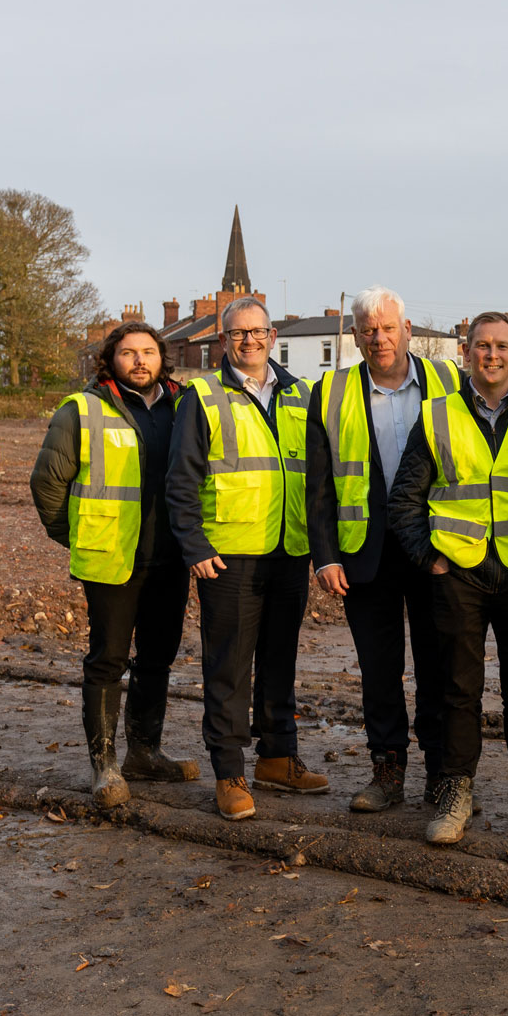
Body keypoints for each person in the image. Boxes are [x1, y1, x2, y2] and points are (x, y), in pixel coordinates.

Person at [390, 311, 508, 844]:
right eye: (481, 346)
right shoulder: (437, 416)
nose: (491, 355)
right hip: (459, 575)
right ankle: (456, 791)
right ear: (466, 352)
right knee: (458, 689)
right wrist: (431, 560)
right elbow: (404, 499)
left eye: (501, 346)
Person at [167, 296, 328, 820]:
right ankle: (229, 770)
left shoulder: (301, 395)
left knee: (281, 660)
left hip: (288, 550)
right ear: (224, 341)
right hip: (228, 555)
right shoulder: (203, 395)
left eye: (257, 332)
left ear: (273, 335)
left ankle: (278, 757)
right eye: (239, 334)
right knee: (229, 666)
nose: (249, 341)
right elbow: (181, 479)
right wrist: (194, 546)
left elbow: (317, 478)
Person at [304, 287, 461, 814]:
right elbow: (319, 485)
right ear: (355, 336)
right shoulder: (330, 390)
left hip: (434, 549)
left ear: (407, 330)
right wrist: (324, 555)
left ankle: (444, 777)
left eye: (388, 327)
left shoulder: (447, 380)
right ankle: (387, 770)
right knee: (379, 668)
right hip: (364, 554)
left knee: (438, 666)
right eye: (368, 329)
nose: (379, 338)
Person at [31, 321, 199, 807]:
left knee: (157, 660)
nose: (140, 361)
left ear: (161, 358)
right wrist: (81, 537)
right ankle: (104, 766)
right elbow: (46, 485)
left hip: (170, 560)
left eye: (149, 352)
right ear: (112, 359)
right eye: (129, 353)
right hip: (112, 562)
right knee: (107, 661)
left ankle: (144, 754)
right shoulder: (81, 410)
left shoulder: (183, 407)